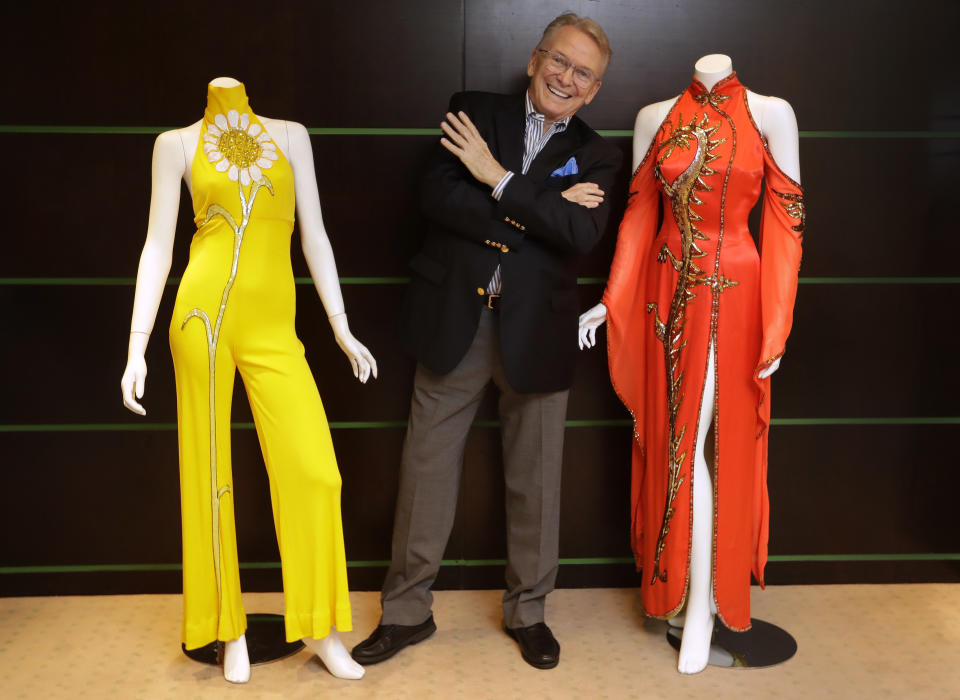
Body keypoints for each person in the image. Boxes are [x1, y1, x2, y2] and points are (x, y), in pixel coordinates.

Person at [350, 13, 622, 671]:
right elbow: (438, 199)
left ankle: (529, 612)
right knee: (426, 471)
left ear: (593, 92)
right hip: (455, 322)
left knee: (536, 481)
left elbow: (582, 236)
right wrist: (542, 207)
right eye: (558, 60)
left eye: (582, 73)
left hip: (540, 332)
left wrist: (495, 177)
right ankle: (406, 613)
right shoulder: (470, 112)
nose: (566, 76)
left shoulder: (601, 153)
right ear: (534, 60)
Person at [120, 77, 377, 684]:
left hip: (274, 326)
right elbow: (158, 245)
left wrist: (340, 326)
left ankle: (318, 624)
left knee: (315, 470)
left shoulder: (289, 137)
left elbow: (314, 234)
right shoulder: (176, 144)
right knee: (208, 475)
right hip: (200, 317)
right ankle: (227, 628)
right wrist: (137, 346)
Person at [578, 54, 804, 673]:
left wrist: (778, 321)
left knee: (715, 444)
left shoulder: (770, 113)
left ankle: (704, 605)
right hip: (665, 292)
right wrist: (612, 299)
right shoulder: (655, 117)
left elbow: (786, 221)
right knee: (678, 443)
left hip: (737, 287)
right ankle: (686, 595)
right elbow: (638, 216)